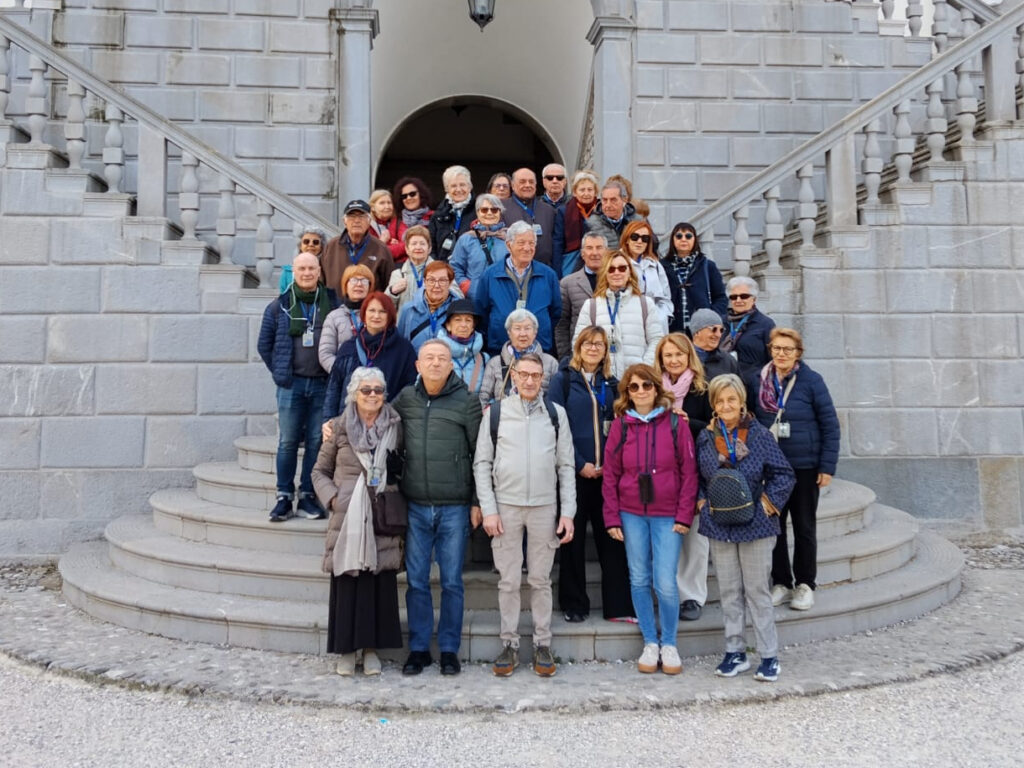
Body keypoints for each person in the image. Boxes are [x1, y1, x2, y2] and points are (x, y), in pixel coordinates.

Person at [474, 353, 576, 677]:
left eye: (536, 375)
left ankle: (543, 643)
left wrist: (568, 512)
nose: (530, 381)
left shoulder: (555, 414)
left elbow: (566, 466)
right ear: (513, 377)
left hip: (545, 506)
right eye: (524, 375)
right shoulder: (496, 413)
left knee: (540, 579)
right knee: (508, 580)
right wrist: (488, 509)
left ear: (543, 377)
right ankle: (510, 643)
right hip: (506, 505)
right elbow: (482, 464)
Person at [696, 374, 795, 683]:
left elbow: (784, 473)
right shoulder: (706, 437)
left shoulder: (759, 435)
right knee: (728, 591)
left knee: (757, 591)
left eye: (732, 400)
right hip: (720, 524)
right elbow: (698, 477)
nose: (726, 405)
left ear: (741, 403)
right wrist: (701, 503)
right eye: (720, 400)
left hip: (755, 525)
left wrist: (767, 505)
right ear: (713, 404)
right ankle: (735, 651)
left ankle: (769, 656)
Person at [392, 340, 483, 677]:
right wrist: (336, 425)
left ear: (450, 366)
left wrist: (477, 502)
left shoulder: (467, 402)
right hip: (415, 505)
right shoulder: (405, 400)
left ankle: (448, 649)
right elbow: (373, 419)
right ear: (418, 365)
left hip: (454, 507)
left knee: (452, 582)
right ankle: (418, 648)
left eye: (441, 359)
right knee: (416, 581)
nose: (434, 363)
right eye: (428, 358)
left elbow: (481, 456)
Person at [603, 364, 698, 675]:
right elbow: (611, 474)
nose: (641, 391)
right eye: (634, 387)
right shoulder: (621, 426)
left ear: (657, 389)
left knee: (666, 582)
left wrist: (685, 515)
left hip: (667, 513)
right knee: (639, 578)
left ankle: (669, 642)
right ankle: (650, 641)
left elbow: (688, 472)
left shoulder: (675, 424)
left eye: (646, 385)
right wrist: (612, 517)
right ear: (627, 393)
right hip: (631, 513)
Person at [312, 367, 403, 676]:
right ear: (354, 393)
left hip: (381, 512)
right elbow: (318, 471)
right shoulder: (338, 427)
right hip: (348, 514)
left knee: (378, 582)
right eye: (366, 390)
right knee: (348, 581)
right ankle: (347, 651)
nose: (373, 395)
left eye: (378, 390)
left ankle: (372, 649)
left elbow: (403, 464)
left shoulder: (395, 424)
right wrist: (334, 498)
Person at [748, 328, 840, 613]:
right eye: (776, 348)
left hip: (803, 466)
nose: (781, 354)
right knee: (773, 527)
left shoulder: (811, 381)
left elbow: (830, 424)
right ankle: (781, 581)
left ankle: (805, 584)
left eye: (788, 349)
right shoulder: (758, 381)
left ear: (798, 353)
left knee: (804, 527)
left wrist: (827, 466)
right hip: (771, 468)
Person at [548, 326, 634, 623]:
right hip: (574, 471)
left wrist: (610, 465)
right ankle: (574, 604)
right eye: (588, 343)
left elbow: (623, 426)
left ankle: (619, 606)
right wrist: (579, 461)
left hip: (608, 475)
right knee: (571, 542)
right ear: (578, 347)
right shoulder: (564, 381)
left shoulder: (613, 384)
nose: (593, 349)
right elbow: (556, 427)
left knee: (611, 538)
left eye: (599, 344)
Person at [257, 252, 339, 522]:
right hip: (291, 385)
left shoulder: (332, 302)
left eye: (311, 268)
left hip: (322, 385)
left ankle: (307, 495)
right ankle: (283, 496)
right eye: (301, 268)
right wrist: (281, 373)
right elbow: (264, 345)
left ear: (319, 271)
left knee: (316, 443)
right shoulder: (278, 306)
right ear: (294, 271)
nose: (306, 273)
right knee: (288, 442)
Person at [655, 333, 712, 622]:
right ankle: (670, 593)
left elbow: (716, 428)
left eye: (679, 354)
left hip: (696, 473)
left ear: (689, 356)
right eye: (668, 355)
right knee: (666, 536)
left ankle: (692, 596)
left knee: (695, 539)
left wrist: (694, 424)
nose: (674, 360)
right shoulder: (653, 390)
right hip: (663, 473)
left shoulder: (703, 390)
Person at [322, 292, 417, 423]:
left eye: (382, 311)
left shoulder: (404, 349)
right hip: (348, 421)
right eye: (371, 310)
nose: (376, 316)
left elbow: (409, 389)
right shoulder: (349, 347)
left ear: (390, 316)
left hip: (386, 422)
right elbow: (334, 388)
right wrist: (328, 421)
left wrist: (388, 410)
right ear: (364, 314)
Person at [472, 221, 561, 356]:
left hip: (539, 349)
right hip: (500, 348)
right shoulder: (490, 275)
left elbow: (555, 313)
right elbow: (481, 313)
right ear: (509, 245)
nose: (527, 248)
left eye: (531, 243)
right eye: (521, 243)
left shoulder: (548, 275)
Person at [573, 249, 663, 379]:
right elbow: (578, 342)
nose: (617, 273)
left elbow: (656, 340)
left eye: (622, 268)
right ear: (605, 273)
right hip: (602, 379)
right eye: (611, 269)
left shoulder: (646, 304)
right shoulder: (591, 305)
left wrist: (642, 369)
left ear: (629, 272)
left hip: (636, 381)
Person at [477, 308, 559, 406]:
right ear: (509, 333)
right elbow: (483, 397)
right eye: (517, 328)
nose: (523, 333)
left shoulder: (550, 363)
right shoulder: (495, 363)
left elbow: (557, 399)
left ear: (535, 332)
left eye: (527, 328)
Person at [662, 222, 727, 333]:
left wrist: (711, 315)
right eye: (679, 236)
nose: (683, 239)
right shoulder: (663, 266)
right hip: (672, 328)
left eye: (688, 236)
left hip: (702, 329)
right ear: (673, 240)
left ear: (694, 240)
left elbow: (721, 297)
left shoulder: (707, 265)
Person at [321, 199, 395, 292]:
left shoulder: (381, 249)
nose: (356, 220)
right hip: (335, 305)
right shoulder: (331, 246)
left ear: (369, 221)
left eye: (362, 216)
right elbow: (321, 280)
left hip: (368, 305)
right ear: (344, 221)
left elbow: (388, 285)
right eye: (352, 216)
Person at [554, 231, 607, 356]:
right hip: (579, 353)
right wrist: (565, 357)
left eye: (599, 248)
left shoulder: (615, 281)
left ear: (606, 252)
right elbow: (561, 325)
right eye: (589, 248)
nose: (594, 253)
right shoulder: (568, 283)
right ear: (582, 253)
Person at [449, 194, 509, 296]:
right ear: (477, 212)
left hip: (503, 295)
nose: (489, 213)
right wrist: (467, 287)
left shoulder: (510, 238)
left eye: (494, 210)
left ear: (500, 212)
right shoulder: (466, 239)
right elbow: (455, 267)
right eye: (484, 210)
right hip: (474, 297)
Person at [319, 263, 373, 373]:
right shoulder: (334, 317)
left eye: (364, 280)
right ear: (345, 285)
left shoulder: (378, 314)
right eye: (353, 280)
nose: (359, 284)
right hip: (344, 380)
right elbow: (325, 354)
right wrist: (343, 373)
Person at [396, 261, 462, 351]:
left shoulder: (459, 311)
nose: (436, 285)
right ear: (424, 282)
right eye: (431, 280)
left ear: (450, 283)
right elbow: (400, 344)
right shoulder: (408, 310)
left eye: (442, 280)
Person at [500, 167, 558, 269]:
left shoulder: (549, 210)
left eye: (531, 182)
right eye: (522, 182)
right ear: (513, 186)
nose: (527, 185)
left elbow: (556, 242)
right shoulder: (501, 208)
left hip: (544, 270)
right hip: (511, 271)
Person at [619, 220, 673, 330]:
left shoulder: (655, 264)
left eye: (645, 238)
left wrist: (662, 316)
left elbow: (665, 297)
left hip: (655, 323)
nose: (639, 241)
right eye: (635, 237)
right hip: (628, 323)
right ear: (627, 239)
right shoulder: (617, 262)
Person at [721, 276, 775, 375]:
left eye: (744, 296)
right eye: (733, 297)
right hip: (724, 382)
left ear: (754, 299)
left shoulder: (765, 324)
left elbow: (773, 358)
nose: (738, 300)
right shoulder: (721, 322)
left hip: (754, 383)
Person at [437, 299, 489, 397]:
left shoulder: (483, 359)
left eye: (468, 320)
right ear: (448, 326)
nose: (463, 325)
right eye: (458, 320)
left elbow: (489, 395)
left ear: (473, 326)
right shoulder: (435, 355)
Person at [553, 170, 600, 277]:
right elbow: (558, 243)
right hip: (571, 261)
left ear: (595, 192)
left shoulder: (601, 210)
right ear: (574, 192)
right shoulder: (563, 211)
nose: (586, 193)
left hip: (597, 259)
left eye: (590, 190)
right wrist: (557, 272)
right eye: (582, 190)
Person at [428, 165, 475, 261]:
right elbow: (431, 246)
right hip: (444, 270)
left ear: (470, 187)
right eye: (453, 186)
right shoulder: (438, 215)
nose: (458, 189)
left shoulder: (480, 210)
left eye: (462, 185)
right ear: (446, 189)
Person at [385, 225, 434, 313]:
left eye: (422, 244)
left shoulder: (441, 272)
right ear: (407, 249)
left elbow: (457, 296)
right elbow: (385, 307)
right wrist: (392, 292)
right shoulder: (398, 274)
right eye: (414, 244)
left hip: (431, 324)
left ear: (429, 249)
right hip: (405, 325)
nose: (418, 247)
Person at [584, 180, 640, 250]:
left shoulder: (638, 222)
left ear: (624, 200)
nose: (608, 205)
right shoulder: (591, 223)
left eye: (613, 200)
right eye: (605, 200)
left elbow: (652, 248)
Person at [688, 308, 740, 381]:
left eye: (721, 330)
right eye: (714, 329)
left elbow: (739, 389)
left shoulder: (728, 361)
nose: (718, 335)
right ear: (697, 332)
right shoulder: (682, 358)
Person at [278, 225, 327, 293]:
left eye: (315, 242)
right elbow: (283, 297)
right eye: (306, 241)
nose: (310, 245)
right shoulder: (288, 272)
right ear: (300, 246)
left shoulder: (327, 270)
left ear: (321, 247)